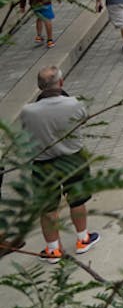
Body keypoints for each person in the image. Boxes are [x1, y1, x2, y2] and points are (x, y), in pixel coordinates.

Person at [19, 66, 101, 262]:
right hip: (73, 158)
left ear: (39, 86)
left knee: (47, 207)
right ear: (61, 83)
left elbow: (26, 132)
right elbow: (83, 121)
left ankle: (53, 249)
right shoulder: (74, 104)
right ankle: (83, 239)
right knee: (77, 199)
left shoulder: (28, 111)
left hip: (42, 163)